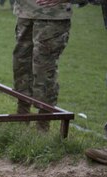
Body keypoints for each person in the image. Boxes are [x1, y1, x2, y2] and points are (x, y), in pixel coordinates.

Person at [12, 0, 89, 131]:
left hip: (53, 15)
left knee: (44, 69)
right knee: (21, 65)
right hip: (25, 11)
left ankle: (43, 124)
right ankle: (22, 117)